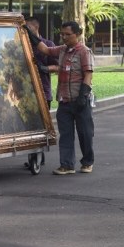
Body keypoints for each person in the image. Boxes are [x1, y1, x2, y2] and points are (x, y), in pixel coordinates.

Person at [24, 20, 95, 175]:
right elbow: (45, 50)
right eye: (62, 34)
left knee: (85, 133)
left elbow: (88, 75)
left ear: (77, 34)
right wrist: (30, 34)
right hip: (64, 100)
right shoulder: (62, 50)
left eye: (67, 35)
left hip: (80, 100)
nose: (64, 37)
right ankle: (67, 165)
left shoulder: (84, 52)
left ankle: (87, 162)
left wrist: (83, 95)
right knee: (66, 134)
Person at [23, 17, 58, 168]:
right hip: (25, 92)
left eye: (28, 29)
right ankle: (35, 155)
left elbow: (57, 66)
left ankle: (38, 154)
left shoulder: (48, 45)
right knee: (30, 126)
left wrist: (44, 69)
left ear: (35, 28)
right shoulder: (23, 45)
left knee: (42, 125)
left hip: (43, 90)